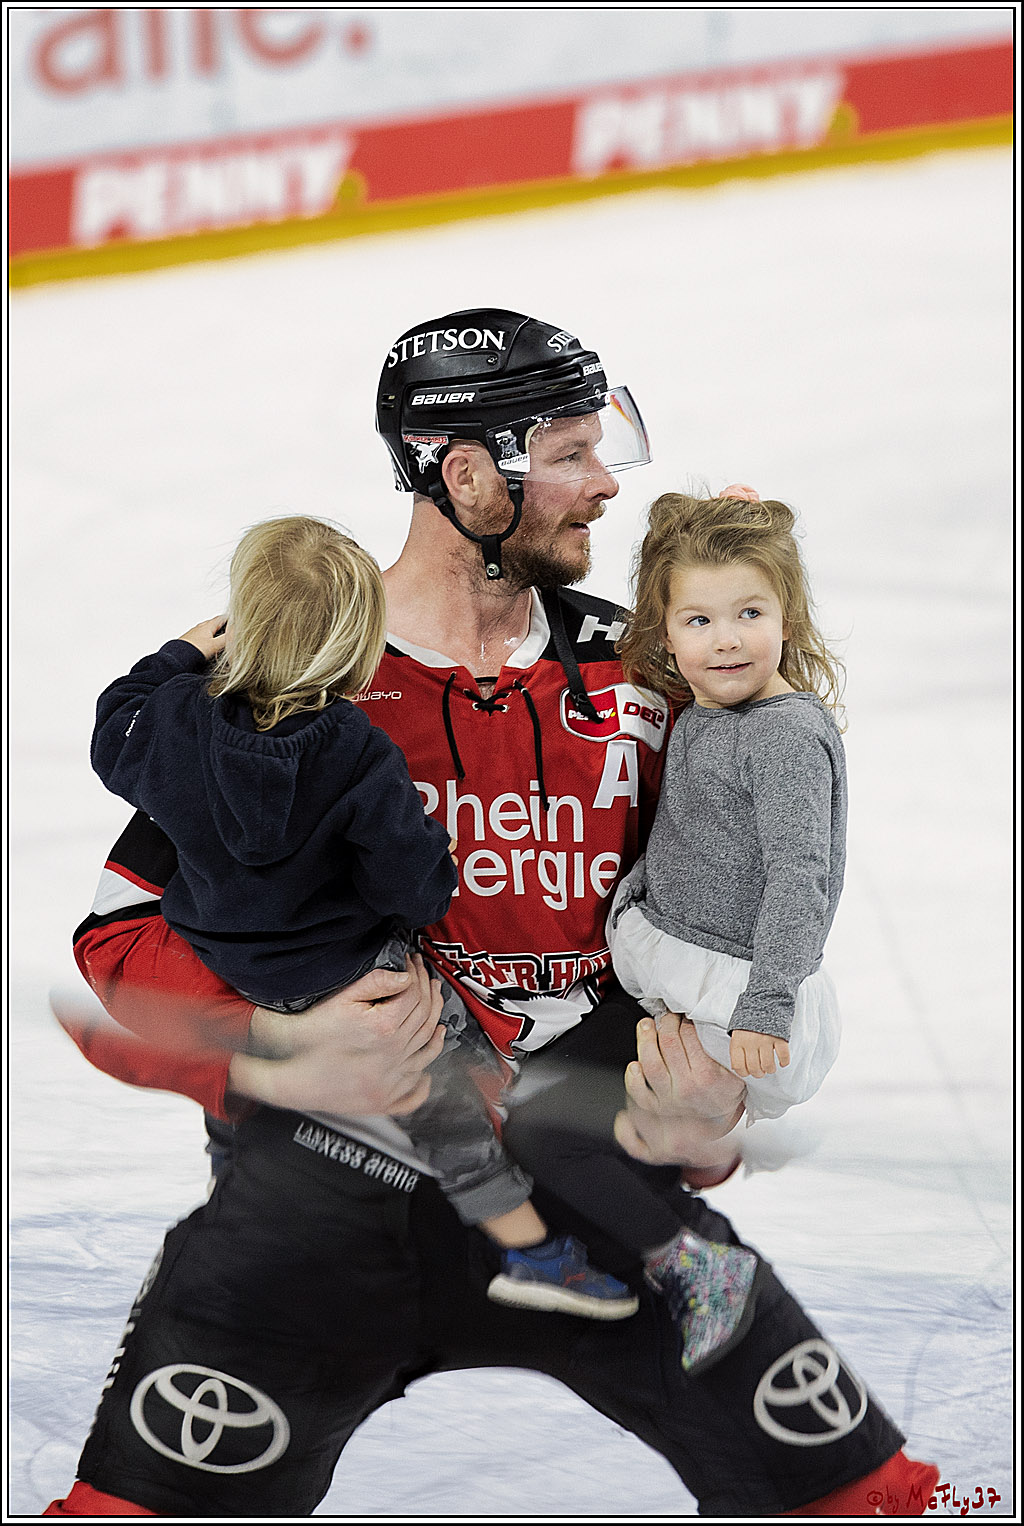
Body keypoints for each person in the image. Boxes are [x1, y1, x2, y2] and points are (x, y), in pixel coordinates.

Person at [46, 308, 938, 1517]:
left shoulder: (647, 674)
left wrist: (709, 1121)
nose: (606, 483)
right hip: (319, 1214)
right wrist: (273, 1041)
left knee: (874, 1501)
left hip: (606, 1209)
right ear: (466, 474)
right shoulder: (300, 669)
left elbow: (716, 938)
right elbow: (117, 940)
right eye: (572, 453)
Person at [89, 513, 637, 1321]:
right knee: (451, 1101)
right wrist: (439, 854)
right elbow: (413, 888)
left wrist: (179, 655)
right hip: (351, 971)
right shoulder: (356, 747)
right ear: (357, 656)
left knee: (244, 1107)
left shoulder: (175, 720)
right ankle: (531, 1249)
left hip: (232, 970)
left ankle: (234, 1202)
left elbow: (115, 726)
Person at [611, 490, 846, 1122]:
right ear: (664, 632)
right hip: (678, 958)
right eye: (699, 621)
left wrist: (765, 1007)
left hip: (733, 995)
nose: (727, 641)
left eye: (750, 612)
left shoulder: (782, 735)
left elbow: (800, 877)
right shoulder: (707, 703)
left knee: (663, 1126)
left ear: (787, 617)